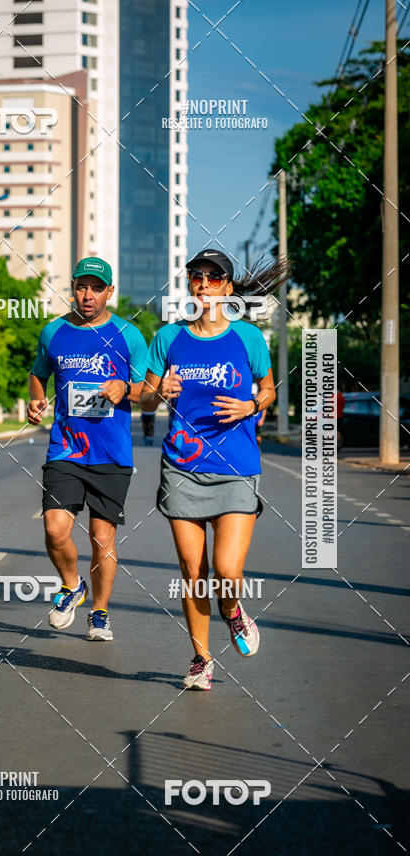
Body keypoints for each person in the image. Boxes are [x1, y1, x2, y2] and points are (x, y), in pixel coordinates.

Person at [141, 247, 287, 690]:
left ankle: (233, 611)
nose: (202, 282)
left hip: (237, 467)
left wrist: (251, 404)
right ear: (189, 283)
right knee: (192, 570)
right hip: (182, 467)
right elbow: (145, 398)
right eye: (196, 275)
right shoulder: (168, 338)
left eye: (212, 276)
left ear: (226, 286)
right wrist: (159, 390)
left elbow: (268, 390)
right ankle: (201, 660)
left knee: (226, 569)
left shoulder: (248, 338)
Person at [28, 257, 147, 641]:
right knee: (54, 527)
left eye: (97, 287)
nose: (88, 295)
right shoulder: (54, 332)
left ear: (110, 292)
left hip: (111, 454)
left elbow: (150, 393)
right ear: (73, 287)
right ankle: (72, 584)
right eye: (82, 286)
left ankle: (100, 612)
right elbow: (37, 374)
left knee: (103, 539)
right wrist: (36, 401)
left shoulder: (129, 335)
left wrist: (124, 389)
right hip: (66, 449)